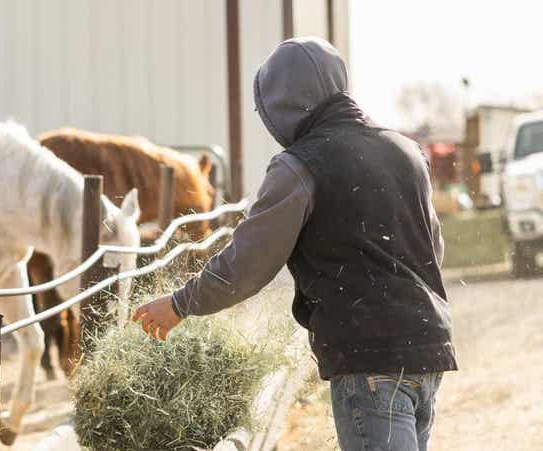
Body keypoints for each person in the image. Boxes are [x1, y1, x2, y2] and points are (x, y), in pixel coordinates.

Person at [132, 37, 457, 451]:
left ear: (282, 104)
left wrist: (180, 303)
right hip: (429, 347)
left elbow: (246, 265)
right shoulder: (406, 152)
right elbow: (433, 249)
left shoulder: (301, 166)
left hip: (370, 359)